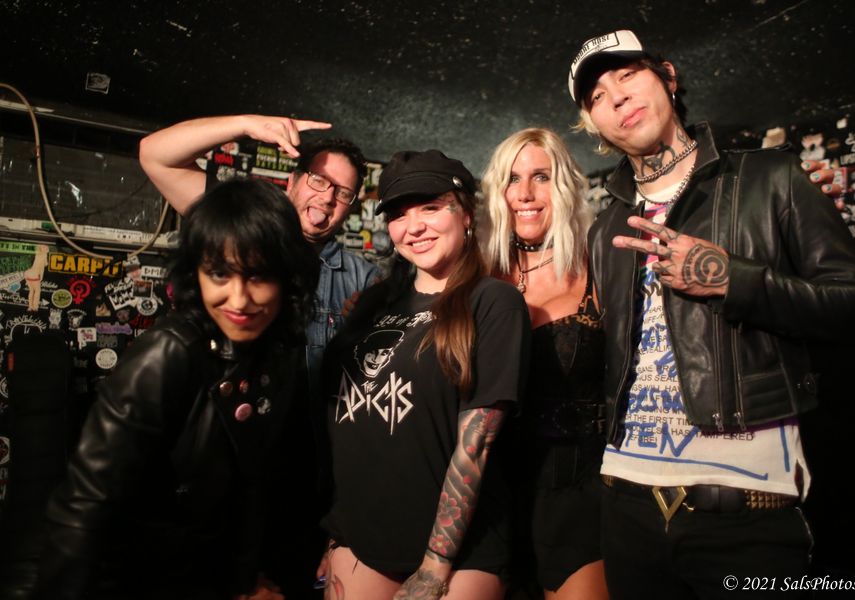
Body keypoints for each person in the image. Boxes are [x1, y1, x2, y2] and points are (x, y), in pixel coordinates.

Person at [567, 30, 855, 599]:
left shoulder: (771, 178)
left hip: (745, 509)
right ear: (596, 126)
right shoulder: (605, 227)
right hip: (626, 505)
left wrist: (732, 279)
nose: (616, 97)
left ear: (668, 76)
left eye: (627, 75)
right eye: (597, 97)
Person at [32, 179, 321, 600]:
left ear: (288, 279)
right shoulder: (168, 354)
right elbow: (84, 509)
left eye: (258, 275)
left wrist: (244, 580)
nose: (238, 299)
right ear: (195, 275)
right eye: (219, 274)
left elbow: (254, 490)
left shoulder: (276, 353)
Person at [320, 150, 530, 600]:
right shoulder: (374, 303)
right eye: (398, 214)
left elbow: (477, 445)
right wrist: (334, 528)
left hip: (458, 549)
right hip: (361, 536)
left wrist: (435, 565)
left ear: (466, 213)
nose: (412, 226)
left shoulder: (493, 302)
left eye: (430, 207)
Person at [139, 115, 380, 396]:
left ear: (350, 208)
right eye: (318, 180)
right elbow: (155, 156)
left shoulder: (362, 279)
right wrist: (245, 125)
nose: (327, 198)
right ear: (292, 182)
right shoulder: (241, 226)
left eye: (343, 193)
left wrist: (367, 322)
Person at [481, 128, 608, 600]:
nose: (526, 194)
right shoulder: (477, 275)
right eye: (513, 179)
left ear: (565, 186)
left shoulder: (599, 270)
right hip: (487, 497)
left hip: (576, 496)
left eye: (541, 176)